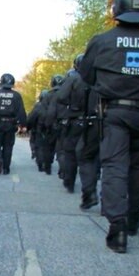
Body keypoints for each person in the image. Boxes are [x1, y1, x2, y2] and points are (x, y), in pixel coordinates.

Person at [80, 0, 139, 253]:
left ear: (116, 12)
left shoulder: (102, 41)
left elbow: (86, 76)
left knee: (114, 166)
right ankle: (134, 217)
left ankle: (118, 227)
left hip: (114, 111)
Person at [57, 54, 89, 193]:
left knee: (70, 152)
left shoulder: (73, 79)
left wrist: (71, 104)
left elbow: (61, 96)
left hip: (75, 119)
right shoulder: (97, 79)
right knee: (90, 155)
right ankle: (89, 190)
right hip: (93, 120)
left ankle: (69, 182)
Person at [0, 73, 27, 175]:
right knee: (8, 146)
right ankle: (6, 168)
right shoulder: (16, 96)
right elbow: (21, 111)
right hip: (11, 124)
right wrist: (23, 125)